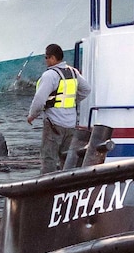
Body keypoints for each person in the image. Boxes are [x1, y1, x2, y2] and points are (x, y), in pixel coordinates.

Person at [27, 44, 91, 174]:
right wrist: (72, 101)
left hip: (54, 124)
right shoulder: (73, 72)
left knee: (49, 158)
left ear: (53, 58)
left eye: (46, 57)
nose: (45, 60)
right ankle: (66, 186)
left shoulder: (50, 75)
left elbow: (39, 100)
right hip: (70, 123)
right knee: (66, 158)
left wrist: (32, 115)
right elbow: (86, 90)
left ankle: (47, 187)